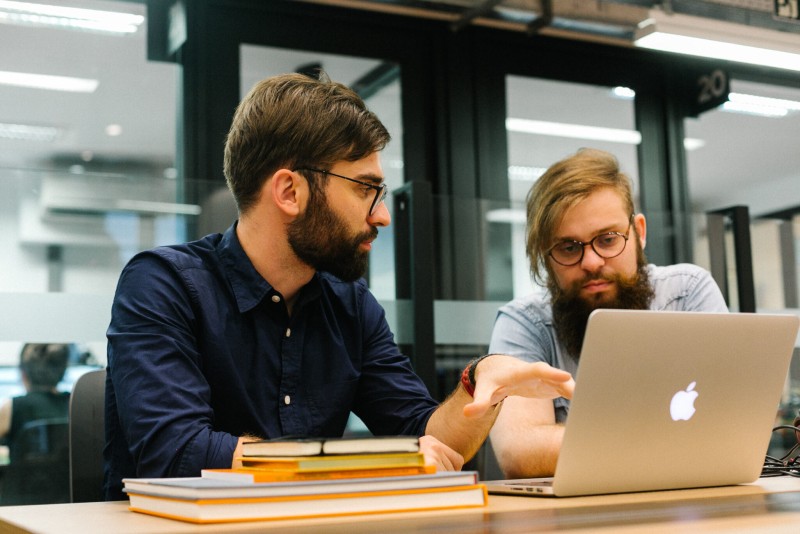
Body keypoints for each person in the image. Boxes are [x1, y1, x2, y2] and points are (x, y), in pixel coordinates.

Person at [104, 71, 575, 500]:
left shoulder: (349, 304)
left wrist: (480, 387)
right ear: (290, 192)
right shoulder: (163, 284)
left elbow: (428, 439)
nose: (383, 215)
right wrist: (363, 467)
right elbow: (176, 454)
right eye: (364, 189)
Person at [487, 148, 728, 478]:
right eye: (569, 247)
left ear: (639, 232)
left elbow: (732, 424)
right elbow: (521, 453)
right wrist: (677, 438)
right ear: (545, 254)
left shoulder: (687, 291)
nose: (591, 262)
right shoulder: (524, 323)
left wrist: (594, 444)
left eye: (608, 239)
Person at [0, 343, 71, 452]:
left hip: (24, 469)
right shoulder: (75, 402)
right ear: (62, 373)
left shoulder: (12, 407)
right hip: (68, 470)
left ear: (23, 374)